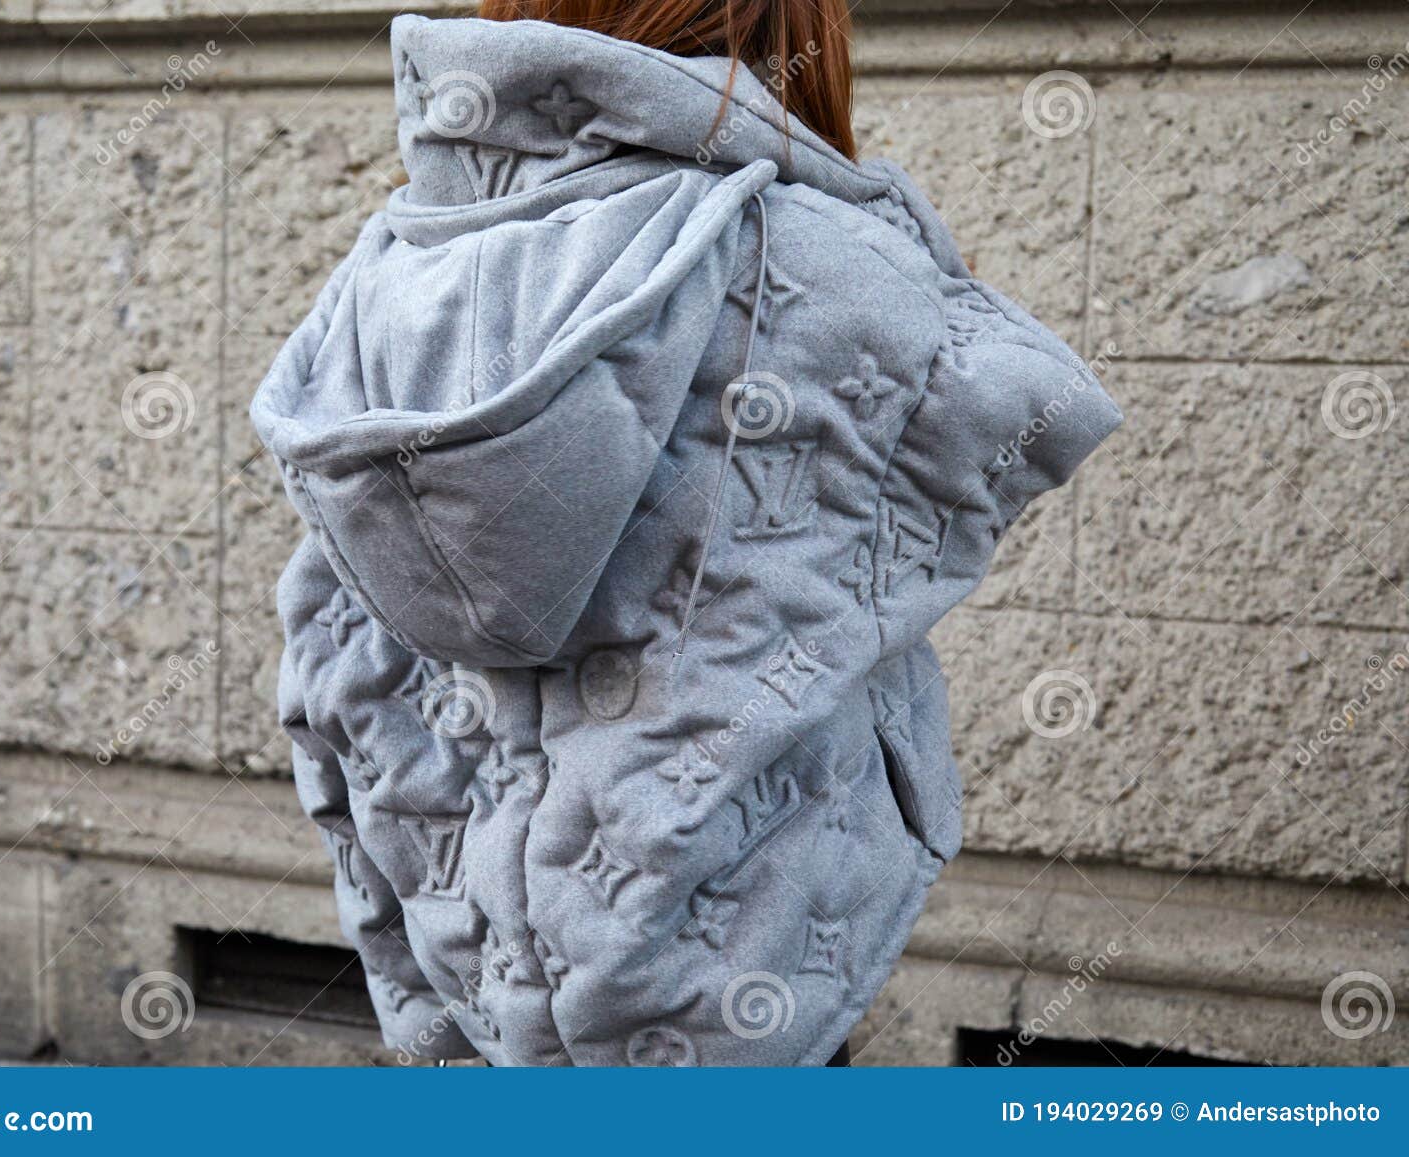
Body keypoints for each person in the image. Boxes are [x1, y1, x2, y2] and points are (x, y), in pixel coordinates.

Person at [249, 0, 1121, 1067]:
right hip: (735, 944)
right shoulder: (832, 262)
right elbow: (1022, 414)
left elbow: (339, 626)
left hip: (462, 930)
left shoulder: (398, 263)